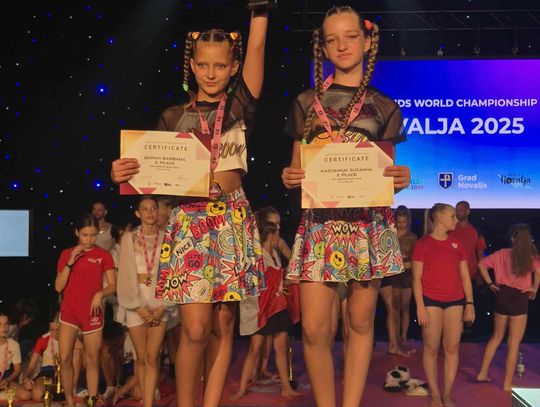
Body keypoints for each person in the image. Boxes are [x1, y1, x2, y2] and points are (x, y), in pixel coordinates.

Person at [111, 5, 269, 405]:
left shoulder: (239, 107)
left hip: (230, 219)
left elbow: (256, 47)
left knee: (223, 323)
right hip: (189, 222)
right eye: (203, 65)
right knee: (196, 328)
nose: (211, 73)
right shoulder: (172, 116)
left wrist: (260, 12)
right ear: (192, 66)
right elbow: (154, 175)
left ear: (233, 68)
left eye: (220, 65)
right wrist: (123, 172)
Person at [281, 5, 411, 406]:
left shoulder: (385, 106)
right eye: (332, 39)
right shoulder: (306, 102)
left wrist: (401, 178)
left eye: (351, 36)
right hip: (320, 224)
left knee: (359, 321)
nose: (342, 46)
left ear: (367, 41)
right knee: (314, 329)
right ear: (323, 47)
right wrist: (290, 176)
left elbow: (388, 174)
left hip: (367, 225)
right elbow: (296, 165)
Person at [231, 207, 301, 400]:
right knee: (255, 348)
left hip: (277, 307)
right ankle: (242, 388)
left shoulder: (275, 253)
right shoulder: (257, 255)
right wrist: (285, 279)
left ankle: (285, 386)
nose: (279, 229)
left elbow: (286, 269)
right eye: (276, 226)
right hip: (262, 309)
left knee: (280, 347)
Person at [412, 203, 475, 407]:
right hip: (431, 301)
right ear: (439, 217)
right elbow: (416, 279)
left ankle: (447, 393)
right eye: (452, 216)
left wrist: (470, 303)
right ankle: (435, 394)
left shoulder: (457, 243)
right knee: (431, 348)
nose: (456, 219)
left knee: (452, 347)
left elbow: (465, 276)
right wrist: (420, 306)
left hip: (455, 300)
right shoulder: (423, 244)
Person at [116, 196, 176, 407]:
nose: (150, 212)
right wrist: (137, 306)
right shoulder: (128, 239)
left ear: (159, 211)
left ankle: (149, 403)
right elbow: (124, 275)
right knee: (141, 357)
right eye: (145, 209)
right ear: (137, 213)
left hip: (160, 302)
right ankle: (144, 401)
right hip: (136, 303)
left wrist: (163, 306)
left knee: (153, 356)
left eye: (153, 208)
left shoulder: (168, 238)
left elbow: (172, 273)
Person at [55, 214, 117, 407]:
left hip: (92, 313)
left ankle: (91, 401)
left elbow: (113, 285)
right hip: (70, 313)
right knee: (65, 357)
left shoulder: (104, 255)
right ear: (77, 233)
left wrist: (100, 294)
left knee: (92, 359)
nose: (89, 239)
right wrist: (70, 262)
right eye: (85, 235)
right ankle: (70, 400)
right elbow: (58, 287)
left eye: (93, 235)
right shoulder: (66, 254)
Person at [476, 223, 540, 391]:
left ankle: (483, 373)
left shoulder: (502, 253)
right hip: (519, 298)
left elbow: (481, 264)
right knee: (514, 343)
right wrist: (534, 288)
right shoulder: (530, 257)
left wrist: (490, 283)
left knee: (496, 337)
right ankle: (506, 383)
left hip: (502, 296)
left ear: (512, 237)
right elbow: (538, 273)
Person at [21, 316, 60, 402]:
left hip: (65, 373)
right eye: (52, 330)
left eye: (58, 330)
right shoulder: (44, 339)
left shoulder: (70, 338)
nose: (55, 333)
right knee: (37, 395)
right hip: (48, 373)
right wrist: (26, 377)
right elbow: (31, 365)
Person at [394, 205, 417, 343]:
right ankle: (395, 335)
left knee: (405, 307)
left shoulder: (412, 237)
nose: (401, 225)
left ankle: (404, 335)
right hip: (394, 274)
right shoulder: (391, 234)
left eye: (404, 222)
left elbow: (416, 258)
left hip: (407, 274)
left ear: (408, 221)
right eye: (399, 222)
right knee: (395, 307)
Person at [449, 201, 487, 284]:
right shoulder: (450, 229)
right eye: (456, 210)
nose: (458, 213)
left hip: (472, 274)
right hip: (452, 274)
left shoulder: (476, 230)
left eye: (461, 210)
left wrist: (481, 274)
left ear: (468, 211)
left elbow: (480, 254)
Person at [0, 312, 29, 401]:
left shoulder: (14, 344)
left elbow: (17, 370)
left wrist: (8, 380)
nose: (4, 327)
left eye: (6, 324)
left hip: (5, 378)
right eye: (0, 324)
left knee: (26, 395)